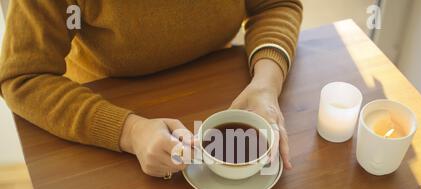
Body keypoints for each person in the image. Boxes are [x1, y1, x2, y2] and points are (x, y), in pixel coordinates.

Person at [0, 1, 302, 178]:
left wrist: (266, 84)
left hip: (219, 81)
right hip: (105, 113)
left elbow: (274, 4)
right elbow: (23, 76)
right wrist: (129, 132)